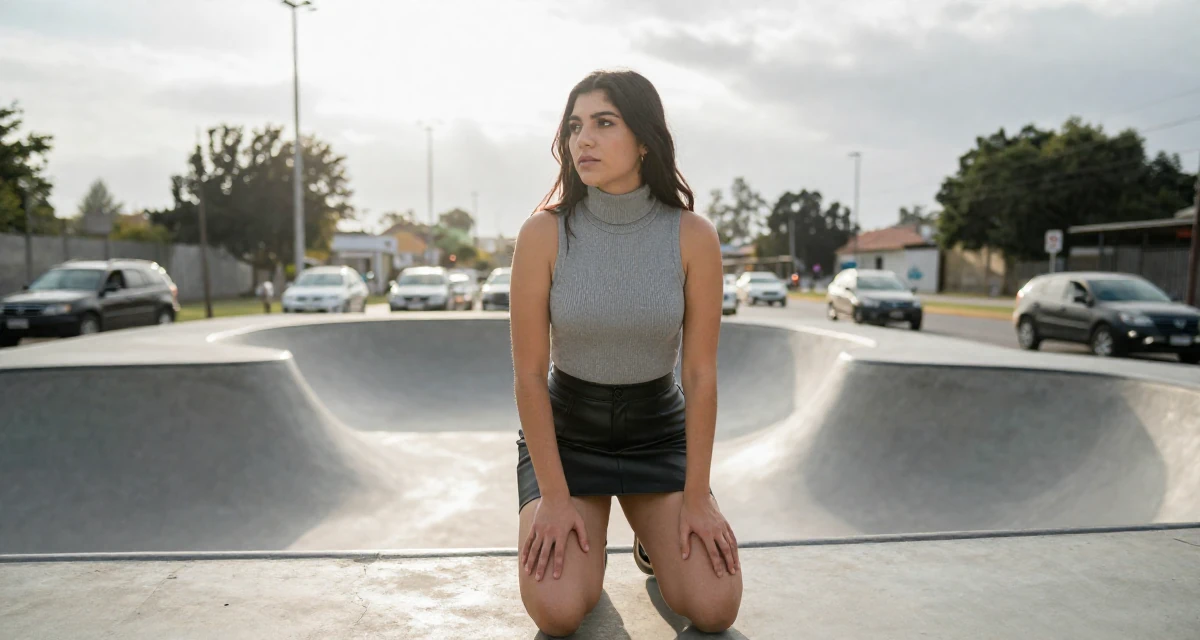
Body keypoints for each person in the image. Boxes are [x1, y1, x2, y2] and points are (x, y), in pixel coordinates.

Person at [510, 70, 742, 637]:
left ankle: (651, 540)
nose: (582, 139)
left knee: (715, 608)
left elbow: (700, 373)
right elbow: (529, 376)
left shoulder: (693, 236)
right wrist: (556, 499)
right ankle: (588, 545)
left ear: (644, 140)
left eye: (603, 123)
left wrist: (697, 496)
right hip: (568, 439)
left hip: (658, 433)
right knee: (559, 611)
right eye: (574, 126)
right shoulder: (543, 234)